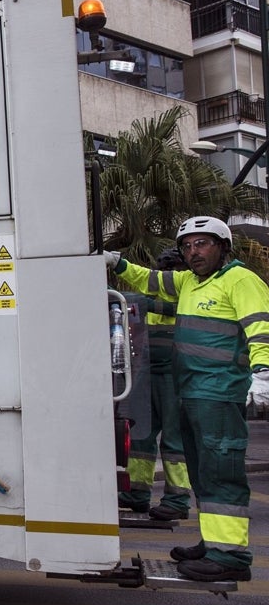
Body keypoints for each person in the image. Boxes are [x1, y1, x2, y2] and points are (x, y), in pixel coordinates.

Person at [106, 216, 269, 582]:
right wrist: (116, 263)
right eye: (188, 246)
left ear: (223, 247)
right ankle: (214, 543)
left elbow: (261, 326)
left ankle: (230, 556)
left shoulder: (240, 280)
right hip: (192, 392)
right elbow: (151, 280)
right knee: (201, 471)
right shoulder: (190, 283)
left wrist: (264, 373)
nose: (194, 252)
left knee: (220, 471)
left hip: (219, 394)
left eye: (203, 243)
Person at [117, 246, 192, 521]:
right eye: (165, 268)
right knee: (140, 436)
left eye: (174, 268)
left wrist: (150, 304)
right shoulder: (147, 296)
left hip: (176, 375)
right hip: (146, 373)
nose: (169, 273)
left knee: (175, 440)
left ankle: (177, 498)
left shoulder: (190, 294)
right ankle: (136, 493)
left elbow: (177, 310)